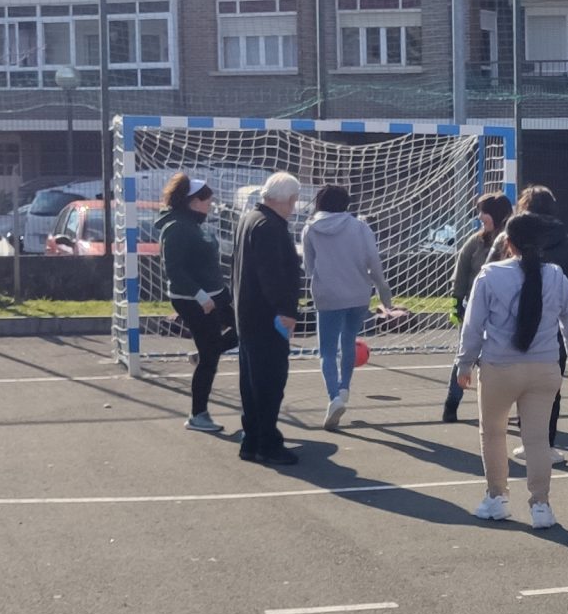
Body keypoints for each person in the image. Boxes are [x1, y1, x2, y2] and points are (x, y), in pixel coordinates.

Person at [453, 211, 568, 529]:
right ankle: (541, 506)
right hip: (544, 367)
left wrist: (464, 362)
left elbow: (473, 326)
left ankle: (496, 498)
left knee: (493, 433)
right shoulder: (555, 275)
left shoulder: (490, 274)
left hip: (500, 367)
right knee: (538, 440)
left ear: (508, 243)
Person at [301, 183, 401, 431]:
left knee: (326, 350)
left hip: (327, 295)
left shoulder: (310, 228)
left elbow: (309, 267)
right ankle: (345, 387)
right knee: (349, 341)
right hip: (358, 293)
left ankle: (333, 396)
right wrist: (383, 291)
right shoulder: (360, 227)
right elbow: (374, 262)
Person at [514, 184, 568, 462]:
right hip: (551, 329)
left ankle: (527, 442)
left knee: (521, 389)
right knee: (549, 391)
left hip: (515, 324)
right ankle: (546, 445)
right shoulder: (563, 239)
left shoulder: (514, 235)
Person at [232, 172, 304, 466]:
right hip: (266, 318)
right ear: (288, 199)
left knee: (252, 383)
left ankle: (252, 440)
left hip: (249, 315)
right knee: (269, 382)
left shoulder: (251, 218)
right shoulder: (268, 227)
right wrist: (286, 311)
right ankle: (266, 443)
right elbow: (271, 275)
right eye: (294, 201)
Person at [157, 174, 233, 433]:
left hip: (216, 293)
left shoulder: (195, 223)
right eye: (207, 199)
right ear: (192, 201)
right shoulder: (176, 227)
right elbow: (175, 271)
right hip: (194, 300)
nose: (211, 203)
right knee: (210, 360)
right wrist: (201, 297)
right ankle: (198, 414)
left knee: (247, 328)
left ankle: (206, 352)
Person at [442, 192, 513, 425]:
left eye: (484, 211)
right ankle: (451, 404)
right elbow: (461, 272)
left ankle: (503, 411)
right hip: (475, 307)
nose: (480, 216)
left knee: (503, 362)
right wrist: (456, 302)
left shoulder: (512, 242)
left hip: (504, 312)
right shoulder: (476, 241)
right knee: (464, 355)